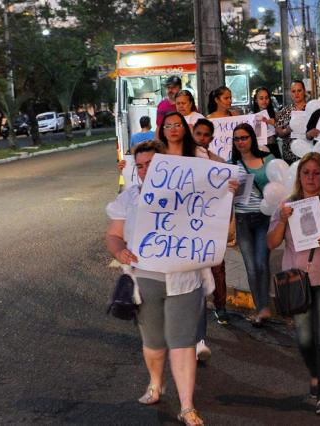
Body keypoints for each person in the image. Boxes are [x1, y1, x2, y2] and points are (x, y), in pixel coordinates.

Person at [105, 140, 208, 425]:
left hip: (184, 278)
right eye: (139, 166)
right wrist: (118, 250)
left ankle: (187, 405)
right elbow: (113, 235)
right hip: (146, 277)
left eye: (151, 164)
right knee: (153, 342)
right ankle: (155, 383)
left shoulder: (190, 193)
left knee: (183, 342)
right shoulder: (129, 198)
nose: (144, 170)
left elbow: (214, 214)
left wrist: (227, 194)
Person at [267, 152, 320, 416]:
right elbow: (271, 243)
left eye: (317, 173)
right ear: (299, 176)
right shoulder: (287, 205)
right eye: (306, 173)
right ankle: (316, 372)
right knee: (304, 337)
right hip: (297, 279)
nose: (311, 178)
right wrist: (282, 220)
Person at [160, 112, 236, 327]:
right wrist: (128, 169)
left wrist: (229, 187)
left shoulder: (198, 155)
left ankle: (200, 334)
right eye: (168, 125)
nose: (173, 129)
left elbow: (213, 183)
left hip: (198, 224)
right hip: (169, 228)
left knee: (203, 273)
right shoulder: (156, 154)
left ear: (184, 128)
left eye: (177, 124)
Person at [229, 123, 275, 327]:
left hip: (264, 218)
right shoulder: (231, 164)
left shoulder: (268, 159)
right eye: (237, 138)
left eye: (244, 137)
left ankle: (264, 307)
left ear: (252, 138)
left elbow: (280, 186)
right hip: (242, 219)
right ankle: (260, 308)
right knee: (251, 267)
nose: (240, 142)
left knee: (262, 263)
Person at [275, 80, 308, 164]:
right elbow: (279, 133)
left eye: (299, 90)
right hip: (290, 155)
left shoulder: (311, 109)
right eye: (293, 91)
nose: (296, 94)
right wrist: (288, 129)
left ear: (304, 91)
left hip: (308, 153)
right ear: (291, 93)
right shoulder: (285, 110)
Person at [252, 86, 281, 159]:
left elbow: (280, 134)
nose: (264, 101)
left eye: (266, 98)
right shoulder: (251, 116)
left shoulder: (275, 114)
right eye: (261, 98)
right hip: (259, 148)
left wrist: (272, 123)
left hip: (273, 148)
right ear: (256, 100)